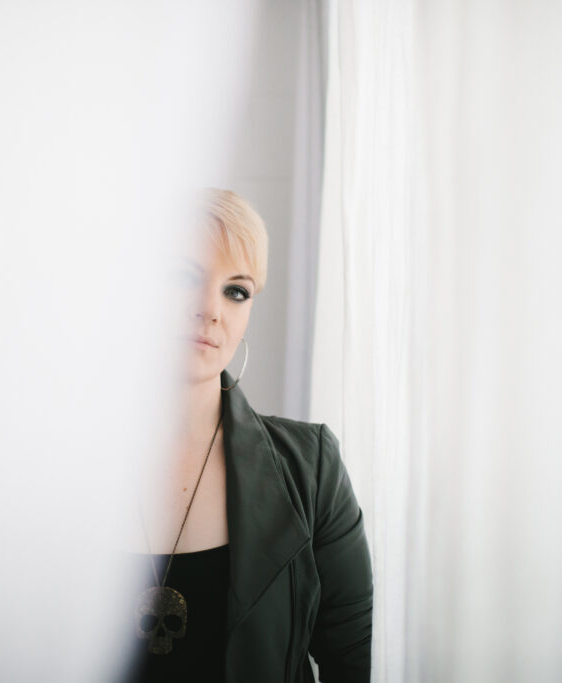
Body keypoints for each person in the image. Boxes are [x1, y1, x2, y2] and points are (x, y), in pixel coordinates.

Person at [126, 189, 373, 682]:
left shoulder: (312, 469)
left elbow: (352, 661)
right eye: (183, 277)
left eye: (235, 291)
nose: (210, 309)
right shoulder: (54, 465)